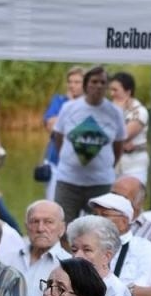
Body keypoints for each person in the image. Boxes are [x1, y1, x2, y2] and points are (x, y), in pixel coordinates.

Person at [49, 65, 125, 220]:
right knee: (64, 228)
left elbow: (118, 145)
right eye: (94, 82)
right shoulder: (69, 107)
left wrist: (106, 165)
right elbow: (58, 136)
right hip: (68, 181)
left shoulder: (114, 112)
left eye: (103, 83)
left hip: (101, 183)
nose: (98, 86)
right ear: (86, 85)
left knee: (99, 230)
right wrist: (68, 159)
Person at [63, 215, 136, 296]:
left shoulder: (116, 293)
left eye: (87, 250)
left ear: (106, 256)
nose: (77, 256)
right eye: (74, 249)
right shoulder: (69, 283)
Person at [86, 192, 151, 296]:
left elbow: (147, 294)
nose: (96, 221)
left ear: (124, 221)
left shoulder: (142, 248)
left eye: (104, 215)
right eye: (95, 215)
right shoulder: (86, 247)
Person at [22, 199, 70, 296]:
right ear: (26, 226)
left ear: (62, 229)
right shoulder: (8, 258)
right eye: (35, 221)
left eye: (48, 222)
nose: (40, 229)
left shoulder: (69, 267)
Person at [107, 71, 150, 183]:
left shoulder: (139, 111)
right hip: (112, 166)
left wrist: (118, 112)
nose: (111, 94)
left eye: (115, 90)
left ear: (128, 91)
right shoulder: (108, 108)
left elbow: (123, 134)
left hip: (134, 166)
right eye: (110, 89)